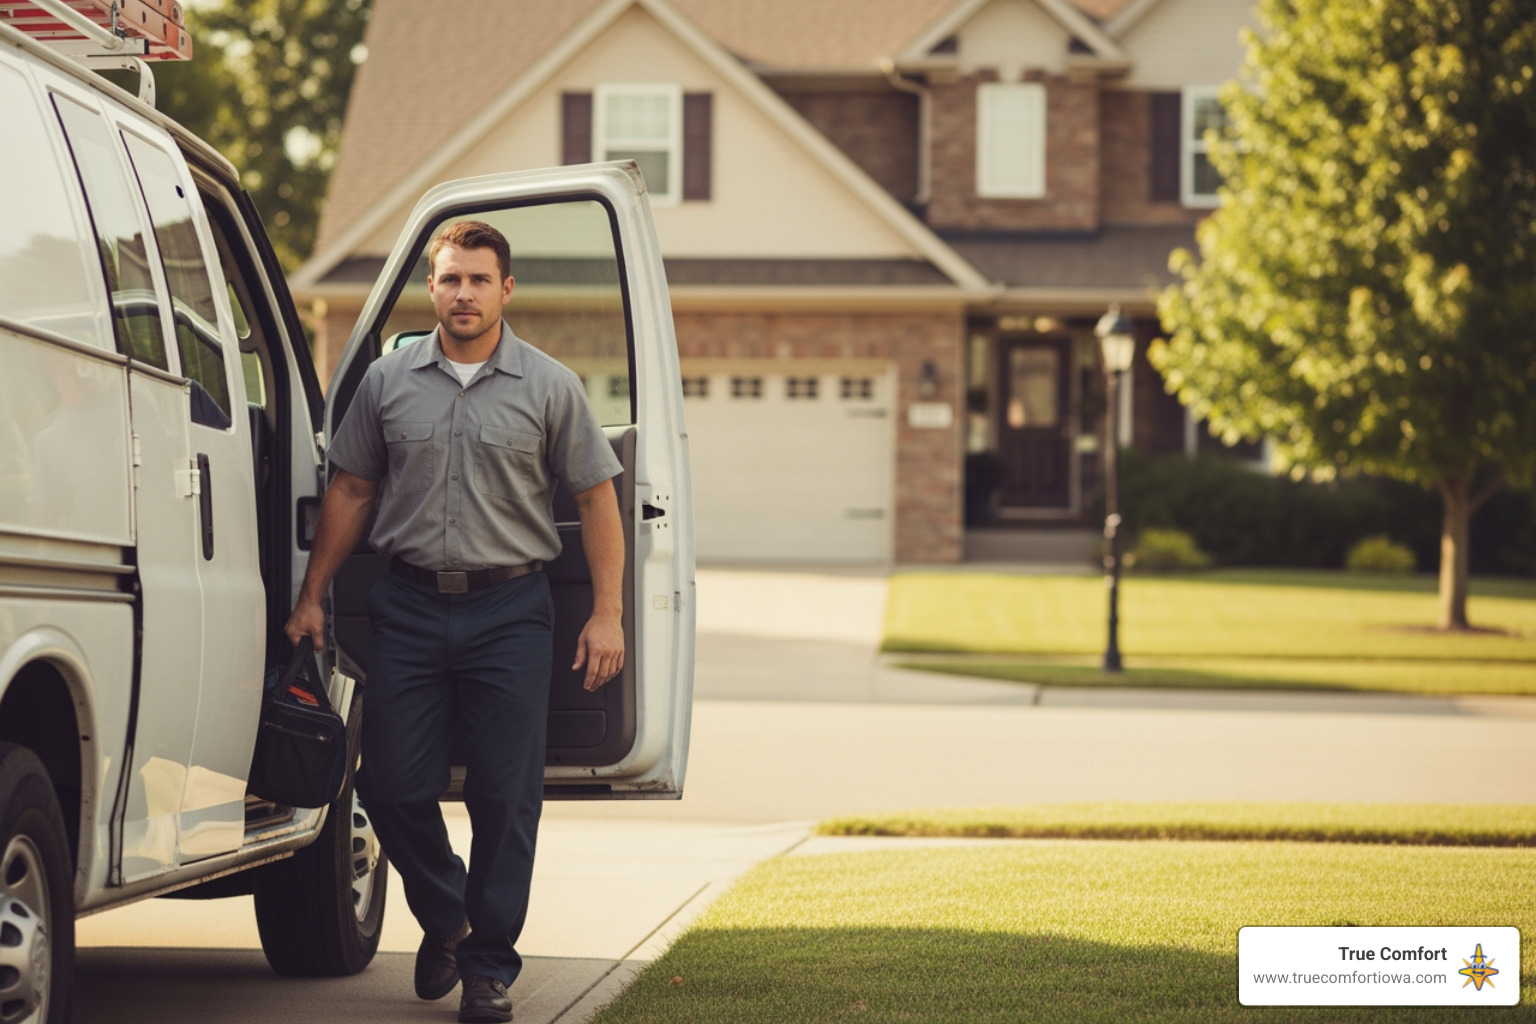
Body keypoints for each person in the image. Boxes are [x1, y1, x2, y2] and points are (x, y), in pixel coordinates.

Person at [285, 219, 625, 1024]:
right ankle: (451, 919)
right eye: (449, 280)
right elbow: (351, 492)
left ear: (507, 289)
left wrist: (607, 611)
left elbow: (596, 499)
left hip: (512, 610)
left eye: (478, 279)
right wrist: (310, 597)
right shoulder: (389, 382)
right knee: (391, 784)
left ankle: (487, 971)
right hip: (407, 607)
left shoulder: (551, 386)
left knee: (507, 797)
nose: (463, 293)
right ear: (430, 289)